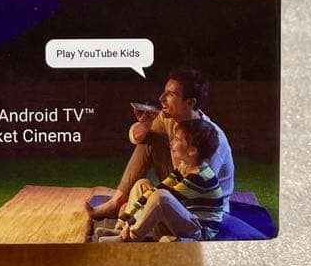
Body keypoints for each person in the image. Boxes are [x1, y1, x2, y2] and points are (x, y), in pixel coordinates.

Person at [89, 67, 234, 220]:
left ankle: (130, 213)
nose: (161, 98)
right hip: (179, 181)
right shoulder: (169, 119)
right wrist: (145, 125)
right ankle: (116, 202)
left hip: (201, 207)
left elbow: (200, 193)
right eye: (164, 92)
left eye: (171, 94)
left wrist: (145, 205)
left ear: (190, 102)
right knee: (150, 139)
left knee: (133, 207)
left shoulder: (209, 139)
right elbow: (136, 137)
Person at [97, 119, 225, 242]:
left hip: (198, 231)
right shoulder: (185, 166)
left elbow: (163, 198)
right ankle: (122, 230)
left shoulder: (199, 177)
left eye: (177, 140)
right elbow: (160, 188)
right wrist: (125, 219)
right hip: (179, 222)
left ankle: (130, 236)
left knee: (161, 197)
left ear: (192, 151)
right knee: (142, 184)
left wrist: (131, 221)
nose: (172, 143)